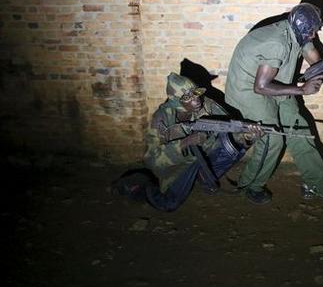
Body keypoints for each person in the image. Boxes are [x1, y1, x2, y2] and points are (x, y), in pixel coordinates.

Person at [224, 1, 323, 204]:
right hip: (248, 91)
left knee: (299, 130)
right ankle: (250, 185)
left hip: (276, 86)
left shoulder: (300, 34)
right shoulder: (276, 42)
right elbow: (260, 86)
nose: (314, 35)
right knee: (272, 139)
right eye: (312, 31)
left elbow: (319, 65)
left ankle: (317, 184)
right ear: (302, 26)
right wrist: (302, 89)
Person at [112, 72, 261, 212]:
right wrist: (185, 143)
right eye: (188, 97)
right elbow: (151, 160)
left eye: (196, 94)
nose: (196, 100)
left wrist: (248, 135)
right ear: (176, 100)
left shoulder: (207, 106)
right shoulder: (162, 119)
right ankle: (141, 184)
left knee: (232, 147)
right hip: (179, 166)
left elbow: (231, 128)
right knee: (168, 203)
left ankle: (202, 178)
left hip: (202, 157)